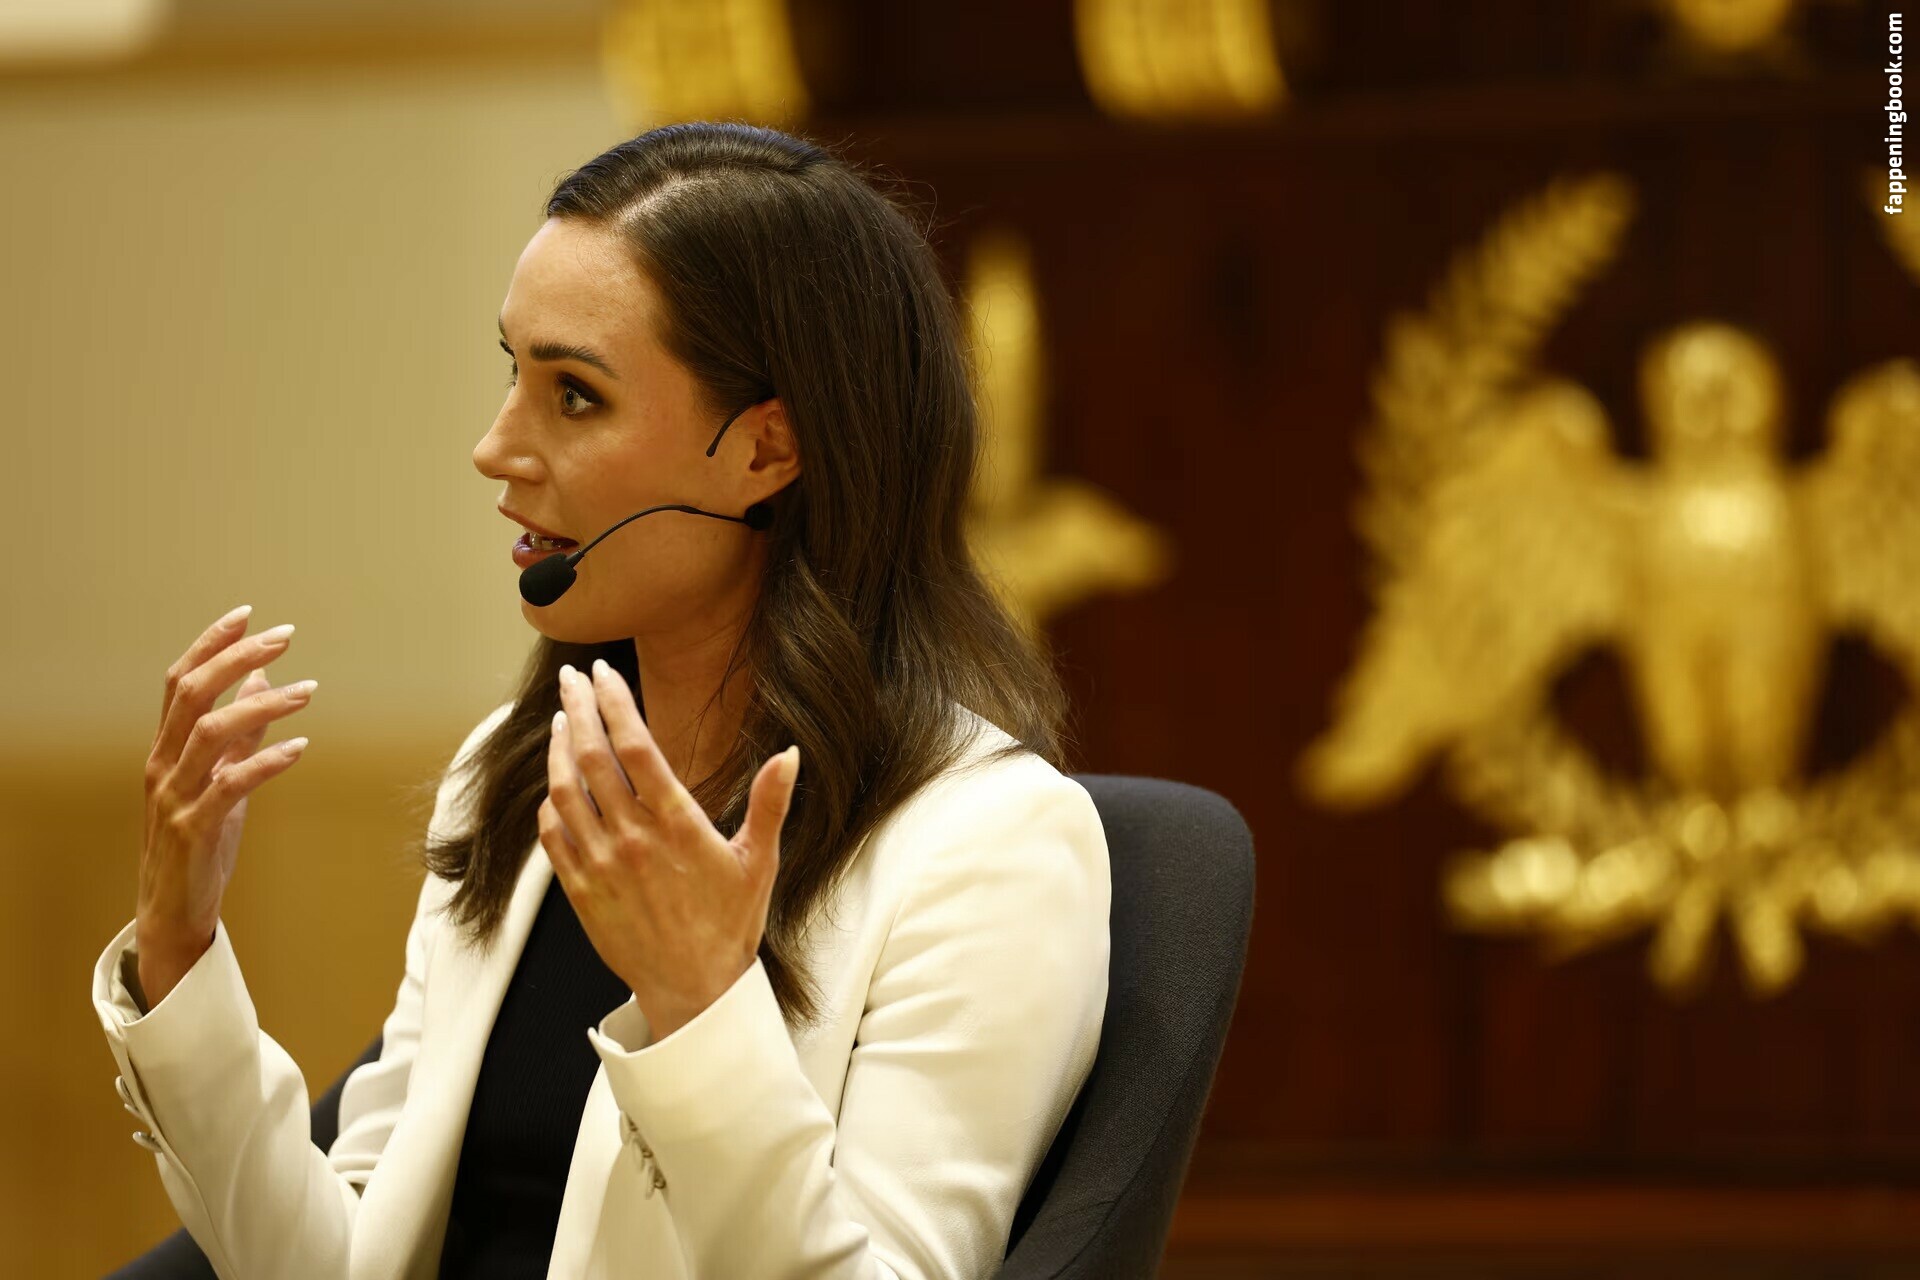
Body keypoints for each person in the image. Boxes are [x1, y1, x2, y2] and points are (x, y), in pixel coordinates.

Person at [91, 120, 1112, 1279]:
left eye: (574, 395)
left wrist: (700, 1010)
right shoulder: (520, 772)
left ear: (765, 451)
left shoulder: (990, 848)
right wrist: (178, 949)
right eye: (512, 372)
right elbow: (339, 1263)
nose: (495, 447)